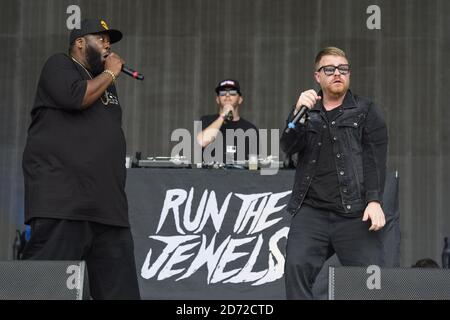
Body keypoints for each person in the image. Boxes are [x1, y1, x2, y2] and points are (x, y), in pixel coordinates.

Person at [22, 18, 140, 299]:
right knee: (45, 291)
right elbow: (75, 98)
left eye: (109, 41)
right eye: (101, 39)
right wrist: (111, 74)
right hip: (63, 205)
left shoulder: (106, 85)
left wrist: (107, 79)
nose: (108, 45)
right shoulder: (59, 65)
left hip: (107, 208)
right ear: (79, 43)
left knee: (121, 293)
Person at [280, 47, 388, 300]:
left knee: (371, 280)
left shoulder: (366, 110)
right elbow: (288, 146)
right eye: (329, 69)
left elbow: (375, 160)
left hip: (354, 211)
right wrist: (298, 113)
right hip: (312, 210)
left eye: (343, 69)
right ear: (317, 76)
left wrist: (374, 200)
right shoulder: (306, 111)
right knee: (296, 268)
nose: (337, 73)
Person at [197, 79, 258, 164]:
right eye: (222, 93)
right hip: (210, 175)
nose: (227, 95)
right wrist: (223, 115)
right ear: (217, 99)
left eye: (232, 93)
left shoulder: (250, 128)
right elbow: (202, 142)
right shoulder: (207, 120)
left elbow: (254, 164)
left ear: (240, 99)